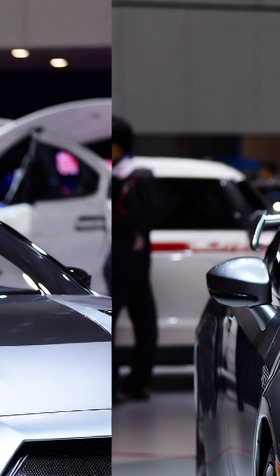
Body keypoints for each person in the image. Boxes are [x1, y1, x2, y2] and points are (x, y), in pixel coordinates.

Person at [110, 115, 159, 402]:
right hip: (134, 264)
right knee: (144, 327)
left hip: (125, 265)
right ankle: (133, 384)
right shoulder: (130, 175)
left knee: (135, 327)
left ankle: (127, 385)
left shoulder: (133, 176)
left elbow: (147, 217)